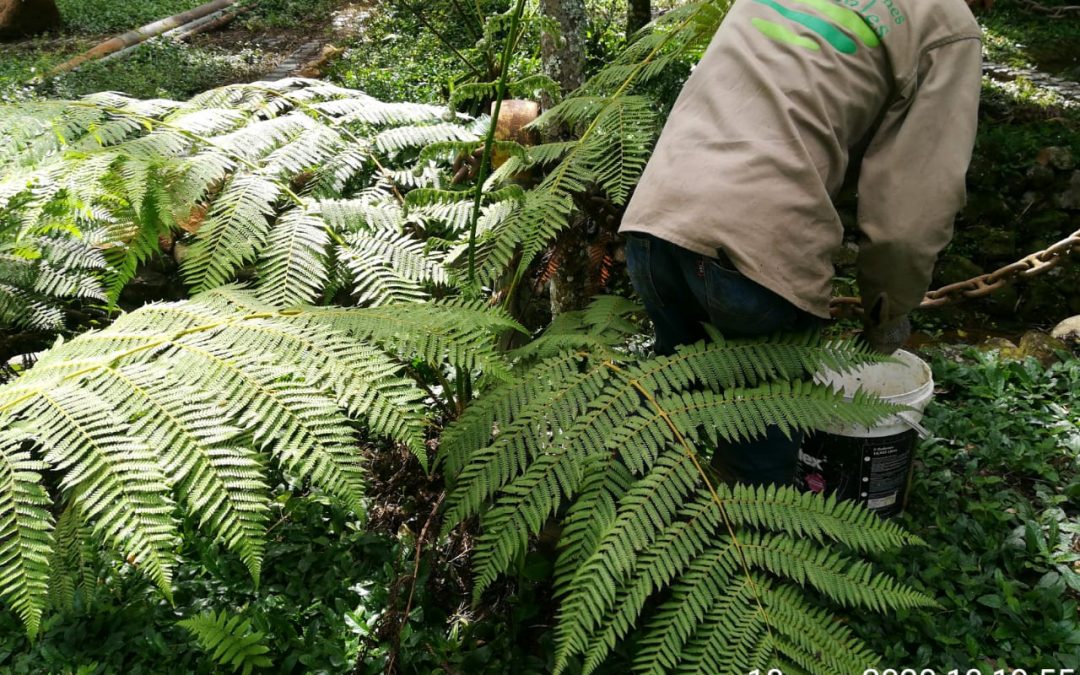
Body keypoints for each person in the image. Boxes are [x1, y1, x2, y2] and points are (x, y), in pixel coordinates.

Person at [619, 0, 986, 486]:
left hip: (655, 222)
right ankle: (747, 554)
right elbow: (910, 217)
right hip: (760, 247)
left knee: (666, 428)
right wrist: (888, 314)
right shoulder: (946, 25)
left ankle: (635, 545)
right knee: (756, 463)